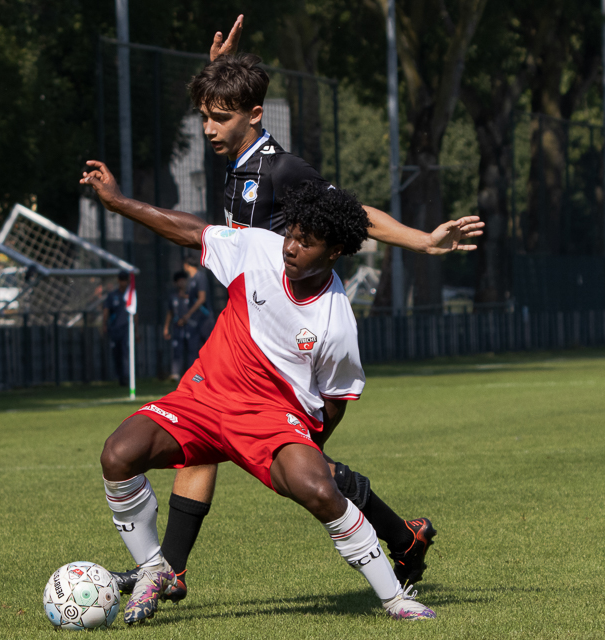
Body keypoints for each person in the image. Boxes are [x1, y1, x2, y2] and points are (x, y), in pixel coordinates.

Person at [111, 43, 486, 601]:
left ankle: (401, 537)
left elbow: (352, 215)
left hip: (291, 332)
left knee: (308, 470)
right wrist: (222, 71)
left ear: (254, 115)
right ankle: (171, 569)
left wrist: (423, 242)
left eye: (220, 116)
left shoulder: (282, 169)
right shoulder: (240, 164)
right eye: (205, 116)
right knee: (205, 438)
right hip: (247, 324)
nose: (208, 128)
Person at [83, 160, 437, 622]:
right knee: (118, 454)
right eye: (290, 233)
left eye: (306, 242)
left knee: (319, 489)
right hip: (203, 398)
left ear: (334, 252)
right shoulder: (256, 249)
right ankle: (156, 568)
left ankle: (395, 599)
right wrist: (117, 202)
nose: (290, 247)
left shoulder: (336, 322)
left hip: (269, 420)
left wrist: (306, 449)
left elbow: (335, 400)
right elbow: (191, 231)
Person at [102, 272, 134, 387]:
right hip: (114, 330)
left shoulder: (131, 296)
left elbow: (135, 313)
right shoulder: (112, 296)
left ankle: (126, 377)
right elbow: (106, 311)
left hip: (126, 329)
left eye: (126, 280)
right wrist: (104, 324)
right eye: (122, 280)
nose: (124, 283)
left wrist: (136, 331)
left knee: (125, 353)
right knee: (117, 354)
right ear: (118, 281)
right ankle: (120, 377)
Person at [163, 270, 191, 381]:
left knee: (192, 351)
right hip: (177, 328)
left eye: (183, 280)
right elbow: (169, 312)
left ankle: (192, 374)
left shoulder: (192, 294)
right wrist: (166, 328)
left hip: (190, 327)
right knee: (177, 351)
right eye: (179, 281)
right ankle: (175, 374)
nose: (182, 283)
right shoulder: (173, 296)